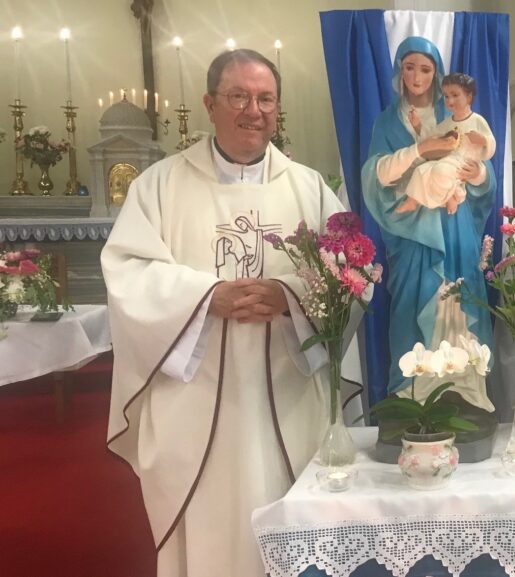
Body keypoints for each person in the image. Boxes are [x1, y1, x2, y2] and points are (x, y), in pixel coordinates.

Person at [102, 49, 349, 576]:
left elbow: (350, 272)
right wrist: (204, 296)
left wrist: (290, 295)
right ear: (210, 104)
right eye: (239, 96)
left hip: (288, 398)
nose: (253, 110)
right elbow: (127, 274)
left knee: (294, 528)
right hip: (194, 403)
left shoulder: (309, 188)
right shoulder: (160, 187)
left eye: (265, 99)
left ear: (277, 109)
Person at [361, 37, 496, 411]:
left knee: (458, 298)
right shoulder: (389, 122)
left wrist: (479, 174)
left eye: (426, 68)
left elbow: (484, 166)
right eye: (410, 67)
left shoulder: (454, 112)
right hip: (412, 236)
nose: (417, 76)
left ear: (436, 74)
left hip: (455, 229)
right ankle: (412, 392)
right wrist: (419, 151)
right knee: (413, 301)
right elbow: (375, 174)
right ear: (398, 71)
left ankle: (464, 388)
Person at [398, 73, 497, 215]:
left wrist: (482, 140)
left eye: (455, 95)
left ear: (469, 96)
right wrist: (417, 126)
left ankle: (452, 196)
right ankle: (412, 201)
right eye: (446, 96)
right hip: (447, 160)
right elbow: (432, 137)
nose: (450, 100)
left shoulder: (477, 120)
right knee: (422, 170)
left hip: (464, 162)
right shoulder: (448, 123)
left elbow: (491, 142)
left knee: (441, 171)